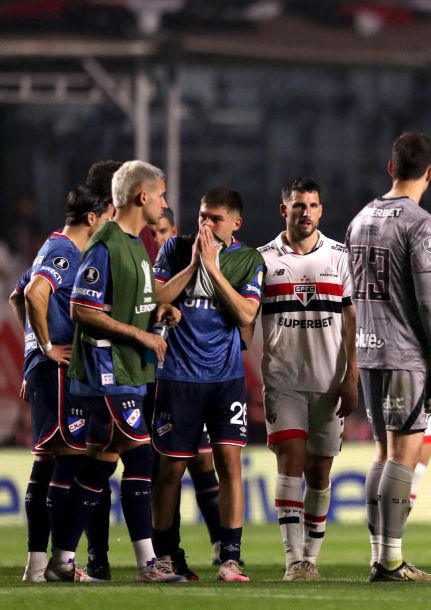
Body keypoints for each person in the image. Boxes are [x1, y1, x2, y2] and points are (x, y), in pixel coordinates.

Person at [47, 160, 185, 583]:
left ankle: (62, 560)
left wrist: (160, 310)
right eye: (160, 194)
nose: (164, 201)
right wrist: (141, 337)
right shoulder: (105, 242)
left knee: (100, 465)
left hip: (127, 370)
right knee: (140, 455)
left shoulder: (136, 244)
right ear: (142, 197)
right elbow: (82, 309)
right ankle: (147, 564)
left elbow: (135, 302)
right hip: (105, 368)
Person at [346, 132, 431, 582]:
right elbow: (429, 300)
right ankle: (391, 561)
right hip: (406, 352)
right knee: (403, 456)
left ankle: (380, 556)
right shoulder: (421, 223)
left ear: (392, 168)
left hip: (369, 350)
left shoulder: (358, 219)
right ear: (429, 172)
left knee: (383, 452)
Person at [150, 186, 264, 582]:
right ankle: (164, 556)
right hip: (177, 376)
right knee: (170, 470)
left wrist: (213, 269)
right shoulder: (174, 250)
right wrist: (195, 264)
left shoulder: (248, 259)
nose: (206, 224)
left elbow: (247, 312)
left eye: (214, 218)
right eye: (201, 216)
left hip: (226, 378)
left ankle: (230, 556)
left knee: (229, 464)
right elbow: (156, 297)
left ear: (235, 222)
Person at [9, 184, 113, 582]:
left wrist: (32, 352)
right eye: (105, 218)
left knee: (47, 460)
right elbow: (34, 294)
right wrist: (48, 347)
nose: (107, 225)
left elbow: (16, 298)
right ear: (92, 218)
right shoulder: (66, 252)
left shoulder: (48, 246)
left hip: (43, 368)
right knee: (68, 460)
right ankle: (60, 564)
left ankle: (37, 566)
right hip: (57, 370)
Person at [258, 177, 359, 581]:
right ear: (284, 210)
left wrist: (352, 374)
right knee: (291, 461)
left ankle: (311, 558)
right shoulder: (262, 259)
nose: (306, 212)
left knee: (320, 472)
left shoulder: (340, 256)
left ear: (321, 210)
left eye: (313, 206)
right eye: (299, 206)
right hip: (283, 381)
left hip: (330, 382)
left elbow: (351, 318)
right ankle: (293, 559)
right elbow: (248, 317)